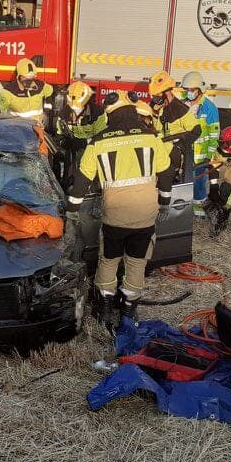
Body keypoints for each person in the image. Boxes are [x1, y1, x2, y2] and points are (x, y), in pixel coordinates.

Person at [66, 92, 173, 328]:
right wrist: (165, 201)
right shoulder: (151, 138)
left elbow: (82, 181)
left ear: (109, 116)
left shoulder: (98, 142)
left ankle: (104, 311)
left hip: (114, 217)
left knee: (109, 261)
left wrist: (72, 210)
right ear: (133, 114)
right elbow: (166, 173)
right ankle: (128, 311)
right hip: (145, 217)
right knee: (136, 263)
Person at [148, 70, 200, 181]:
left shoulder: (180, 109)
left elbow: (196, 131)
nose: (154, 99)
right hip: (158, 152)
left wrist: (178, 146)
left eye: (157, 96)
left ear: (167, 92)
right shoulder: (155, 105)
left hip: (173, 156)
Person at [180, 71, 220, 217]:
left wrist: (209, 155)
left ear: (200, 90)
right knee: (181, 178)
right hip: (183, 150)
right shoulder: (181, 103)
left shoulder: (209, 108)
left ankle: (197, 205)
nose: (188, 93)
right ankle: (182, 203)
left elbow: (214, 134)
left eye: (191, 90)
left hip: (201, 153)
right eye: (186, 90)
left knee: (199, 181)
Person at [0, 58, 55, 125]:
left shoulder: (41, 86)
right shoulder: (8, 92)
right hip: (18, 129)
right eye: (26, 79)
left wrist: (46, 112)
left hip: (38, 128)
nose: (29, 83)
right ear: (18, 76)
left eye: (31, 79)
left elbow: (50, 93)